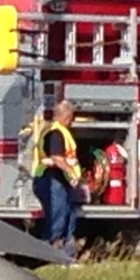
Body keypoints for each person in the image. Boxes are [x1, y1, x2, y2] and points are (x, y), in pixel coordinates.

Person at [32, 100, 83, 257]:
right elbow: (57, 157)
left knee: (68, 213)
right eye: (70, 118)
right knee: (57, 216)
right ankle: (53, 251)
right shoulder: (56, 133)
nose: (71, 121)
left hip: (59, 179)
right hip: (52, 179)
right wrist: (71, 172)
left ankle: (65, 252)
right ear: (65, 117)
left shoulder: (56, 131)